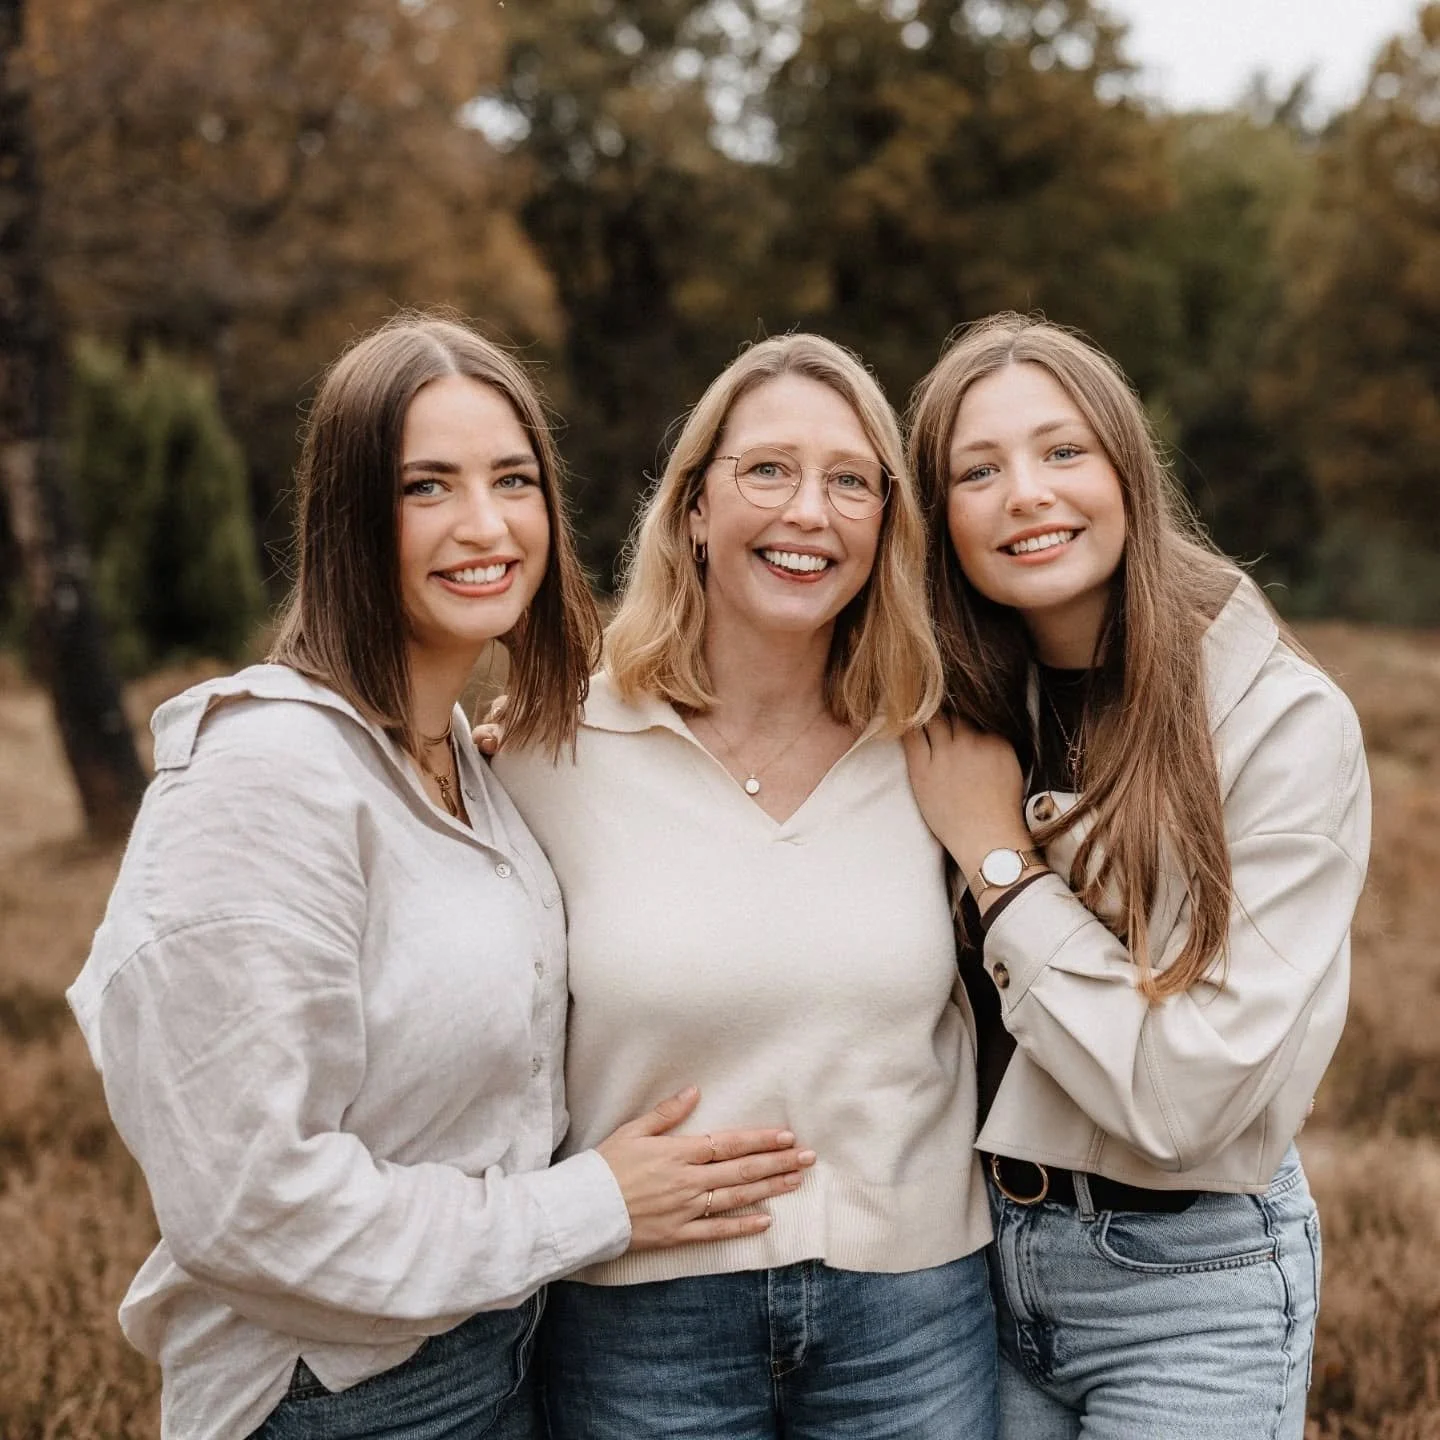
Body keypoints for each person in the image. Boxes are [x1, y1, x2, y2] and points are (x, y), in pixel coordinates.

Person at [66, 314, 814, 1440]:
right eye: (426, 486)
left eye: (513, 479)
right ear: (346, 519)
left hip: (499, 1359)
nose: (485, 524)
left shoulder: (461, 759)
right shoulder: (267, 777)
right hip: (335, 1399)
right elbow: (249, 1205)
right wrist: (593, 1205)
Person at [493, 333, 998, 1439]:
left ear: (886, 528)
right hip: (640, 1313)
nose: (808, 512)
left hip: (908, 1309)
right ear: (694, 510)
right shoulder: (544, 751)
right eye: (768, 469)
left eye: (851, 481)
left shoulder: (937, 751)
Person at [901, 312, 1371, 1440]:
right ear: (938, 517)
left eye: (1064, 451)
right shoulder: (941, 701)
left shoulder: (1282, 728)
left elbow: (1187, 1098)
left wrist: (1005, 871)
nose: (1027, 493)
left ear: (1128, 470)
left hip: (1190, 1288)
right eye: (979, 468)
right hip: (966, 1265)